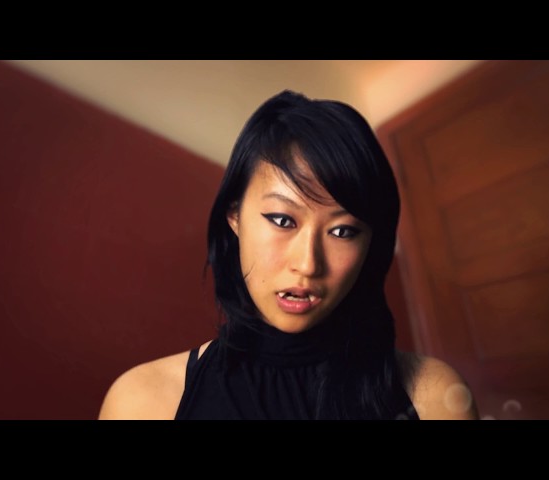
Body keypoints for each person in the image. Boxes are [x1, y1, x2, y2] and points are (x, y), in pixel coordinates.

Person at [98, 90, 478, 420]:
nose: (308, 264)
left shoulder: (433, 397)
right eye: (282, 220)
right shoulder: (143, 402)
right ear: (235, 216)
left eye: (342, 231)